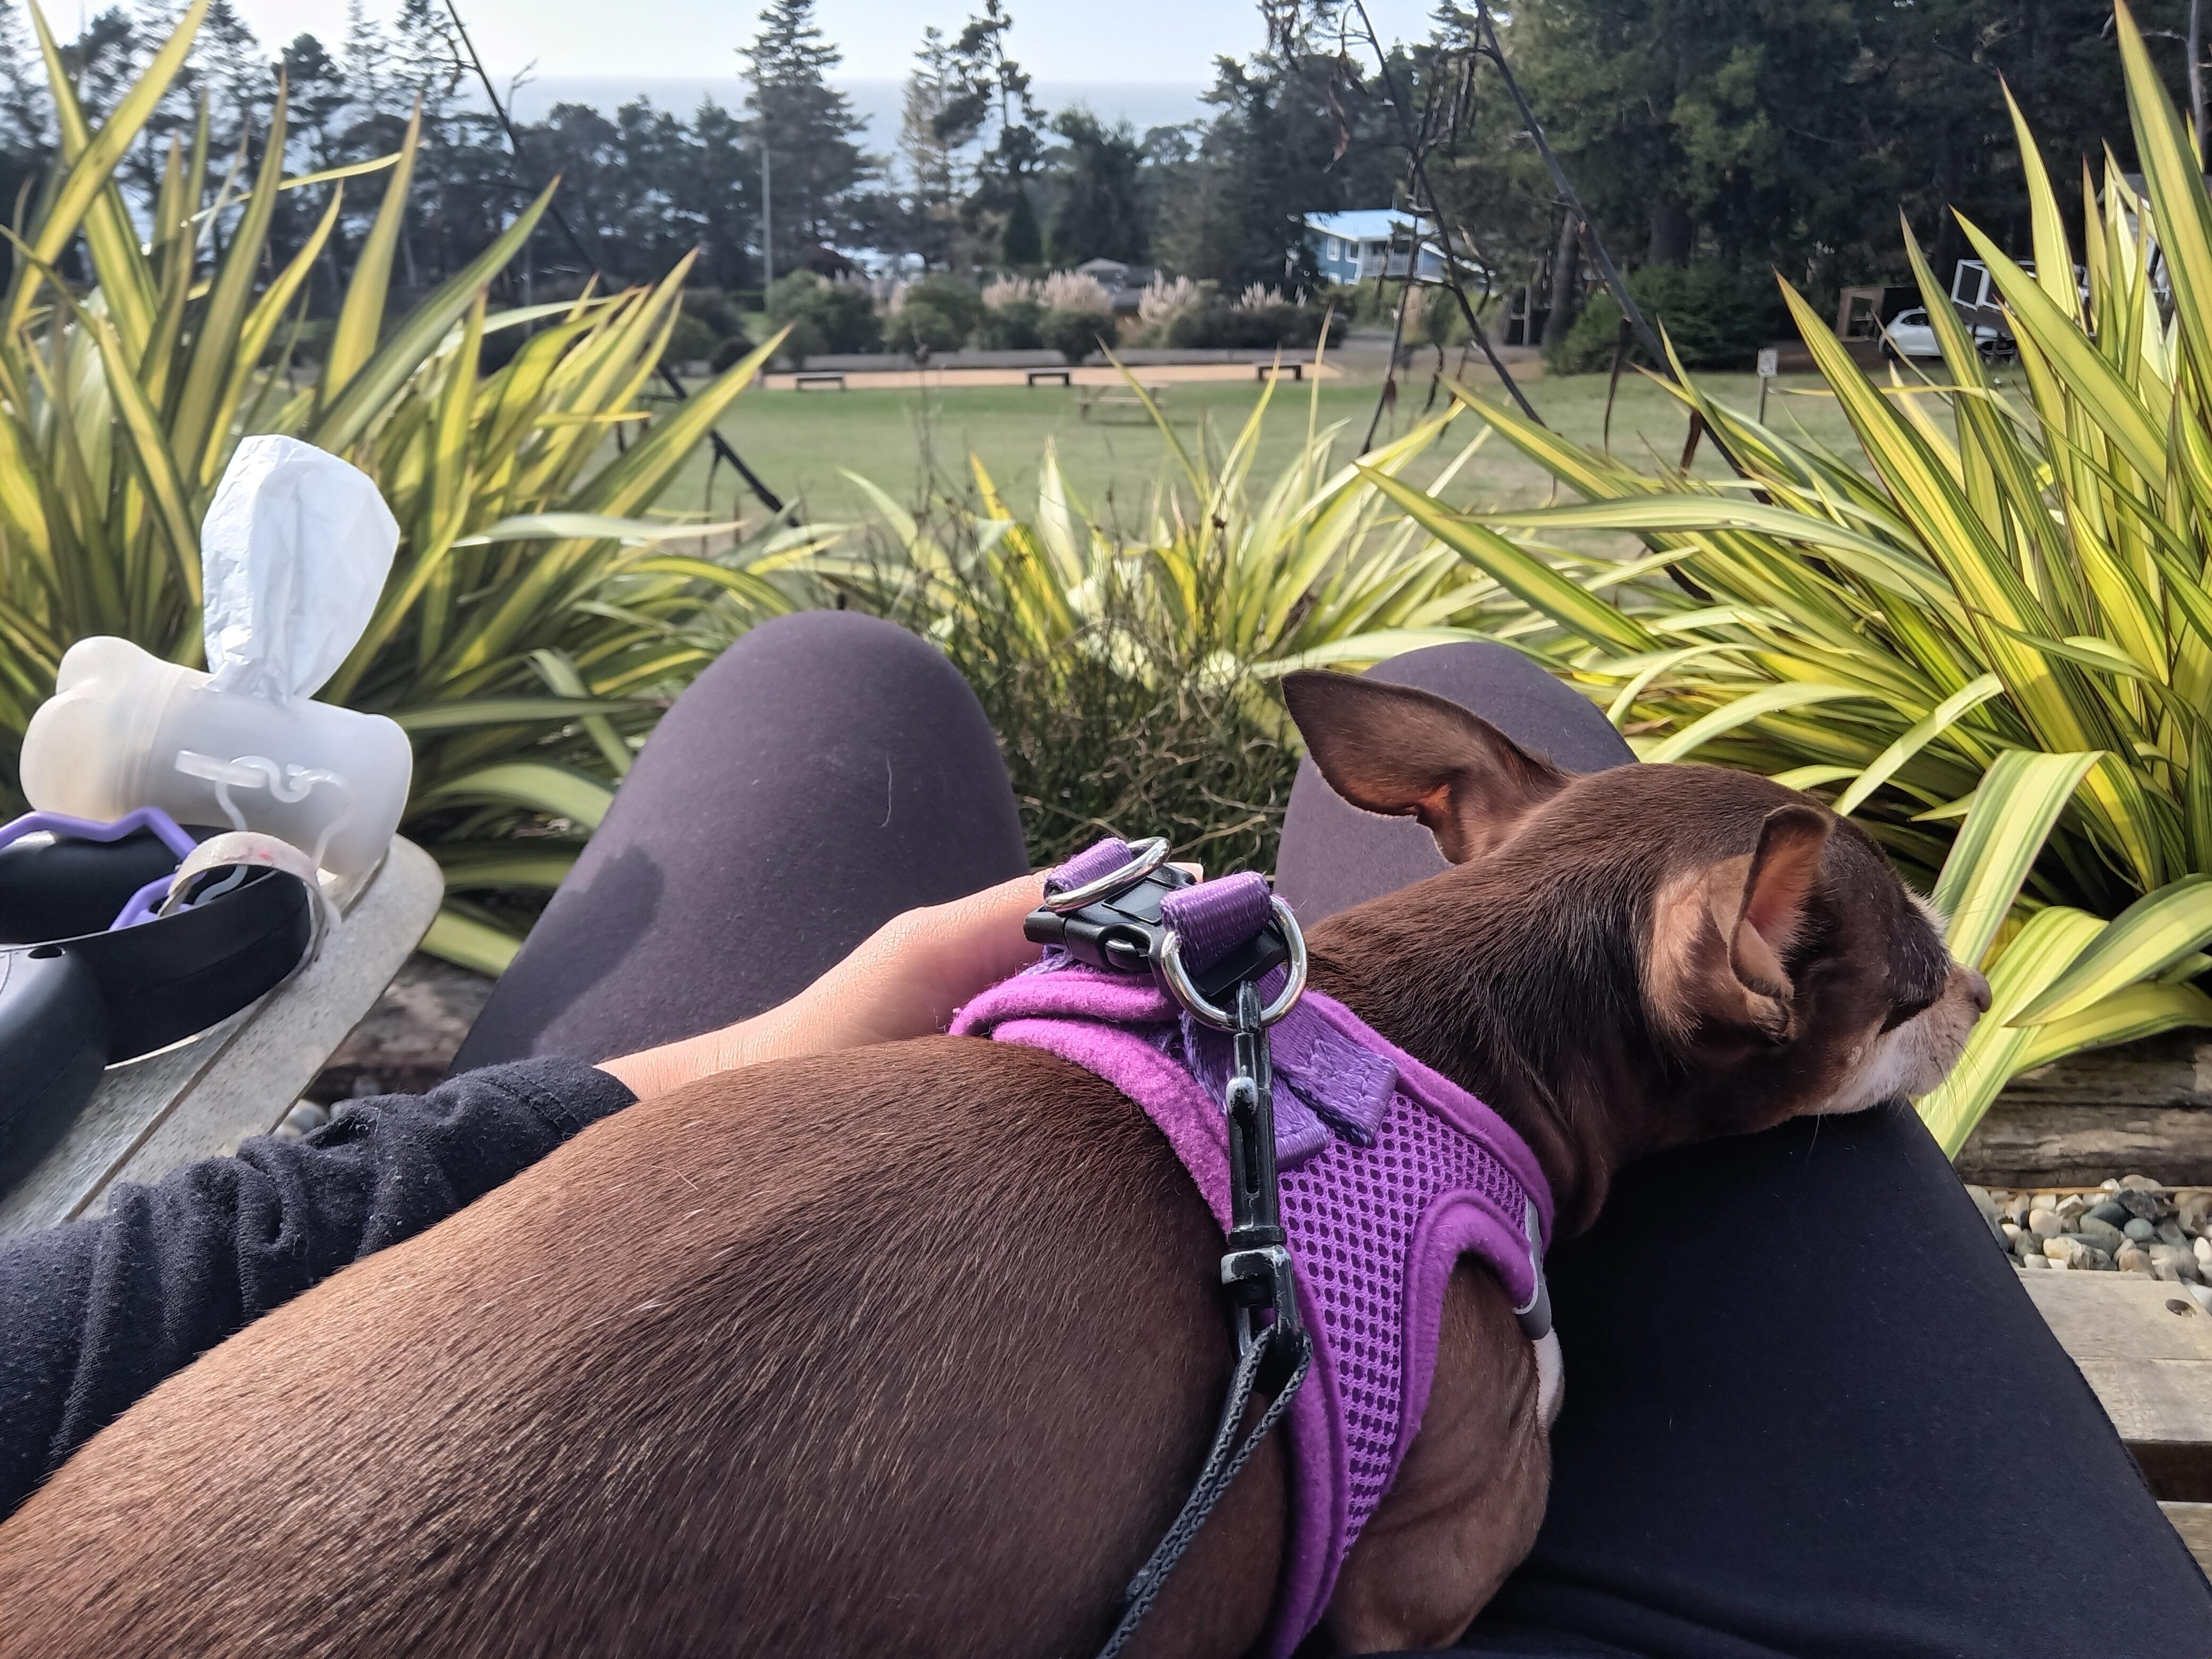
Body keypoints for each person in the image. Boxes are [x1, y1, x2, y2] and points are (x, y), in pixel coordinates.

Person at [0, 610, 2204, 1653]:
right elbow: (1414, 1592)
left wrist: (737, 1061)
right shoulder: (1621, 1117)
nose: (1958, 1029)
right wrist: (1508, 1403)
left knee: (838, 686)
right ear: (1766, 975)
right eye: (1914, 1003)